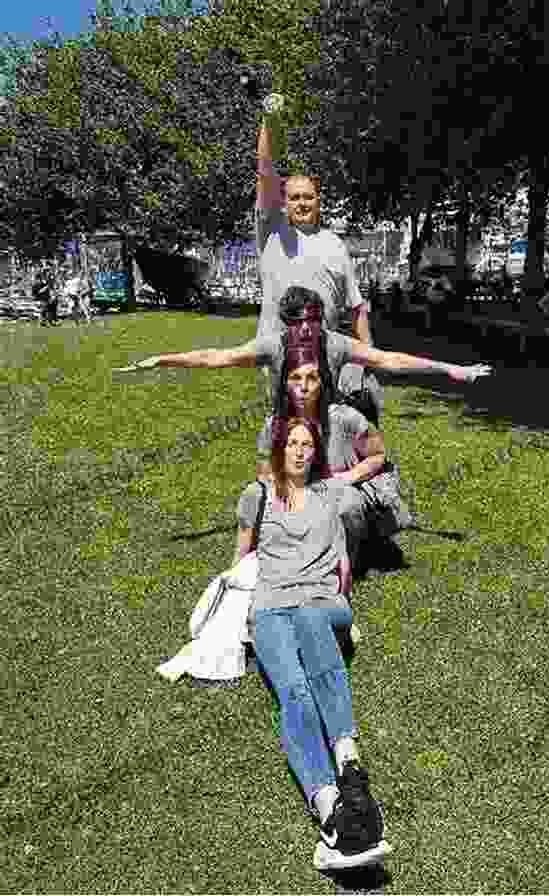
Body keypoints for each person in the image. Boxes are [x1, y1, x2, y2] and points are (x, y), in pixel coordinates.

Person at [235, 415, 393, 871]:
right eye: (293, 443)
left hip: (324, 604)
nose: (301, 451)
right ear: (279, 449)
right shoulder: (257, 495)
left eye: (308, 444)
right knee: (295, 692)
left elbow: (378, 460)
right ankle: (331, 811)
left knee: (308, 613)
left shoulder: (332, 493)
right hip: (269, 610)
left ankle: (348, 760)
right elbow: (242, 558)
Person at [255, 93, 382, 421]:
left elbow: (357, 309)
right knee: (285, 441)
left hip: (325, 362)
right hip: (279, 360)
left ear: (318, 201)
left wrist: (361, 361)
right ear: (283, 202)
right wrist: (269, 123)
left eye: (307, 196)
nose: (301, 203)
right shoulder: (271, 231)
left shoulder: (335, 245)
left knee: (326, 438)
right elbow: (265, 171)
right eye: (293, 197)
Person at [112, 287, 493, 392]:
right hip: (284, 425)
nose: (308, 330)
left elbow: (389, 360)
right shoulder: (273, 345)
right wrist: (163, 359)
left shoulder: (336, 342)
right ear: (285, 323)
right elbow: (215, 357)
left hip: (326, 424)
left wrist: (451, 369)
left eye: (314, 321)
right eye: (300, 323)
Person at [255, 335, 413, 577]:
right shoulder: (274, 424)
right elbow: (265, 469)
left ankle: (352, 562)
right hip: (300, 490)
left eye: (312, 379)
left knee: (345, 504)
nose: (304, 386)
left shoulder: (346, 417)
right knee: (256, 497)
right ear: (285, 383)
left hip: (345, 489)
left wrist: (345, 478)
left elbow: (377, 456)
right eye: (295, 378)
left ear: (323, 383)